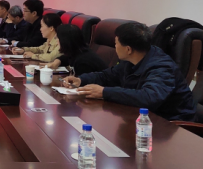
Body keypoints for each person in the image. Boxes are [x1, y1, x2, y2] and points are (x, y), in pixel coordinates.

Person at [64, 23, 197, 121]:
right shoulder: (131, 60)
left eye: (116, 43)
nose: (115, 47)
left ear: (128, 49)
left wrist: (104, 92)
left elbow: (149, 97)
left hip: (169, 125)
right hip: (141, 117)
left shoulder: (162, 67)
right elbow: (107, 75)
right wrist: (81, 80)